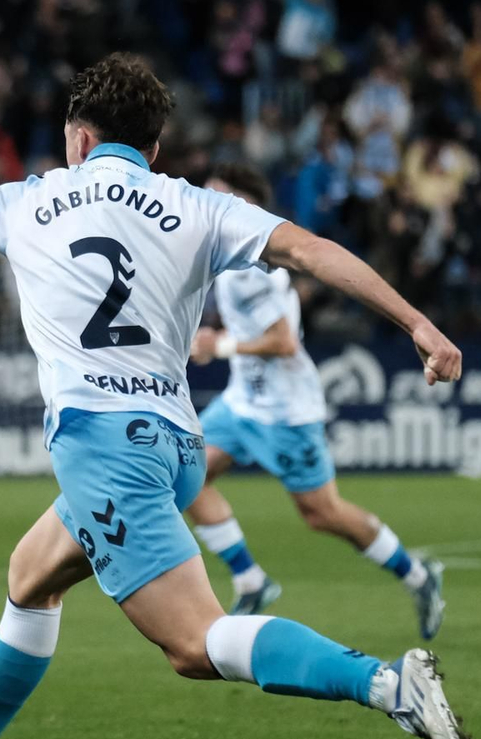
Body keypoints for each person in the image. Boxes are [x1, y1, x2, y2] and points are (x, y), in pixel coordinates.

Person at [0, 55, 473, 739]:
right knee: (32, 575)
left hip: (101, 447)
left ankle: (389, 686)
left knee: (195, 644)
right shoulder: (197, 207)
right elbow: (313, 253)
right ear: (152, 149)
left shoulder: (20, 200)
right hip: (175, 442)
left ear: (78, 139)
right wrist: (419, 323)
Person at [179, 163, 447, 637]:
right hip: (244, 401)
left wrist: (218, 346)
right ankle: (250, 578)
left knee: (322, 513)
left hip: (286, 412)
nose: (207, 203)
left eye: (218, 194)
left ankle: (418, 574)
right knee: (184, 475)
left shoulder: (248, 273)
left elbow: (283, 342)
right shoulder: (238, 256)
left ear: (242, 204)